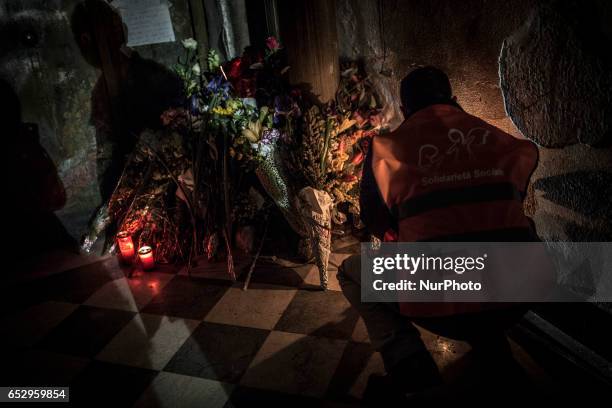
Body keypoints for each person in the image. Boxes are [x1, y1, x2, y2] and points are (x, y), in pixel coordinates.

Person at [339, 67, 539, 402]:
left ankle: (409, 365)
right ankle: (493, 352)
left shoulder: (387, 148)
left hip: (438, 306)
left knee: (351, 274)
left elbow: (376, 223)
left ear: (404, 111)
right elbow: (514, 198)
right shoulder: (496, 137)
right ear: (455, 100)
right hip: (517, 295)